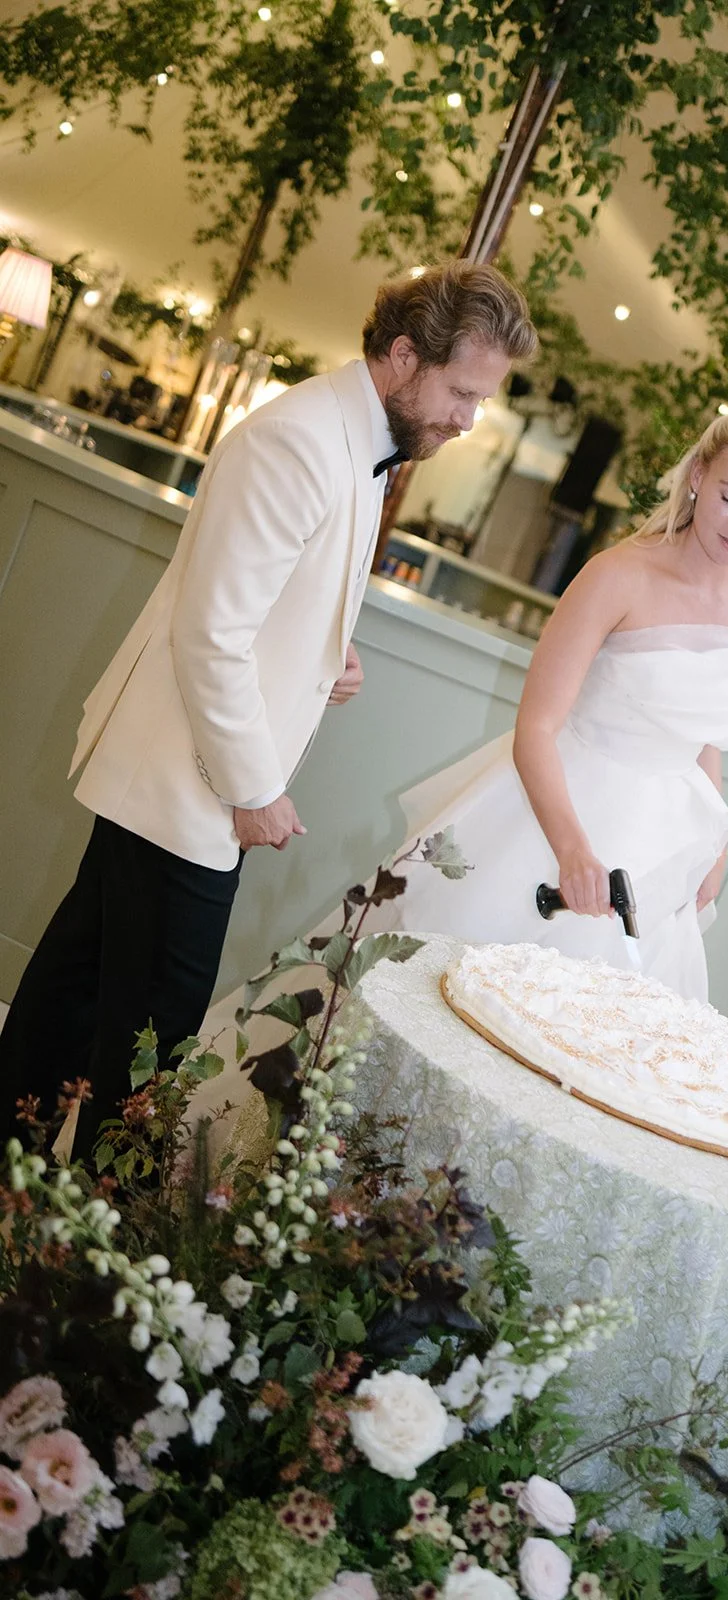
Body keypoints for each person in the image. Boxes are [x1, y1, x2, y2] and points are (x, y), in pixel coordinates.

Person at [0, 262, 538, 1150]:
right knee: (151, 1043)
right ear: (405, 356)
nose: (467, 419)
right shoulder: (299, 439)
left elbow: (258, 604)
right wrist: (254, 790)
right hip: (186, 785)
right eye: (461, 392)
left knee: (75, 989)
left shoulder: (356, 438)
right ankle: (91, 1224)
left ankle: (21, 1180)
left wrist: (325, 657)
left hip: (177, 776)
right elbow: (210, 636)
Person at [368, 407, 728, 1000]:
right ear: (699, 476)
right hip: (562, 810)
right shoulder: (617, 575)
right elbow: (536, 728)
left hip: (663, 840)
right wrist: (573, 851)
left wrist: (716, 847)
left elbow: (707, 734)